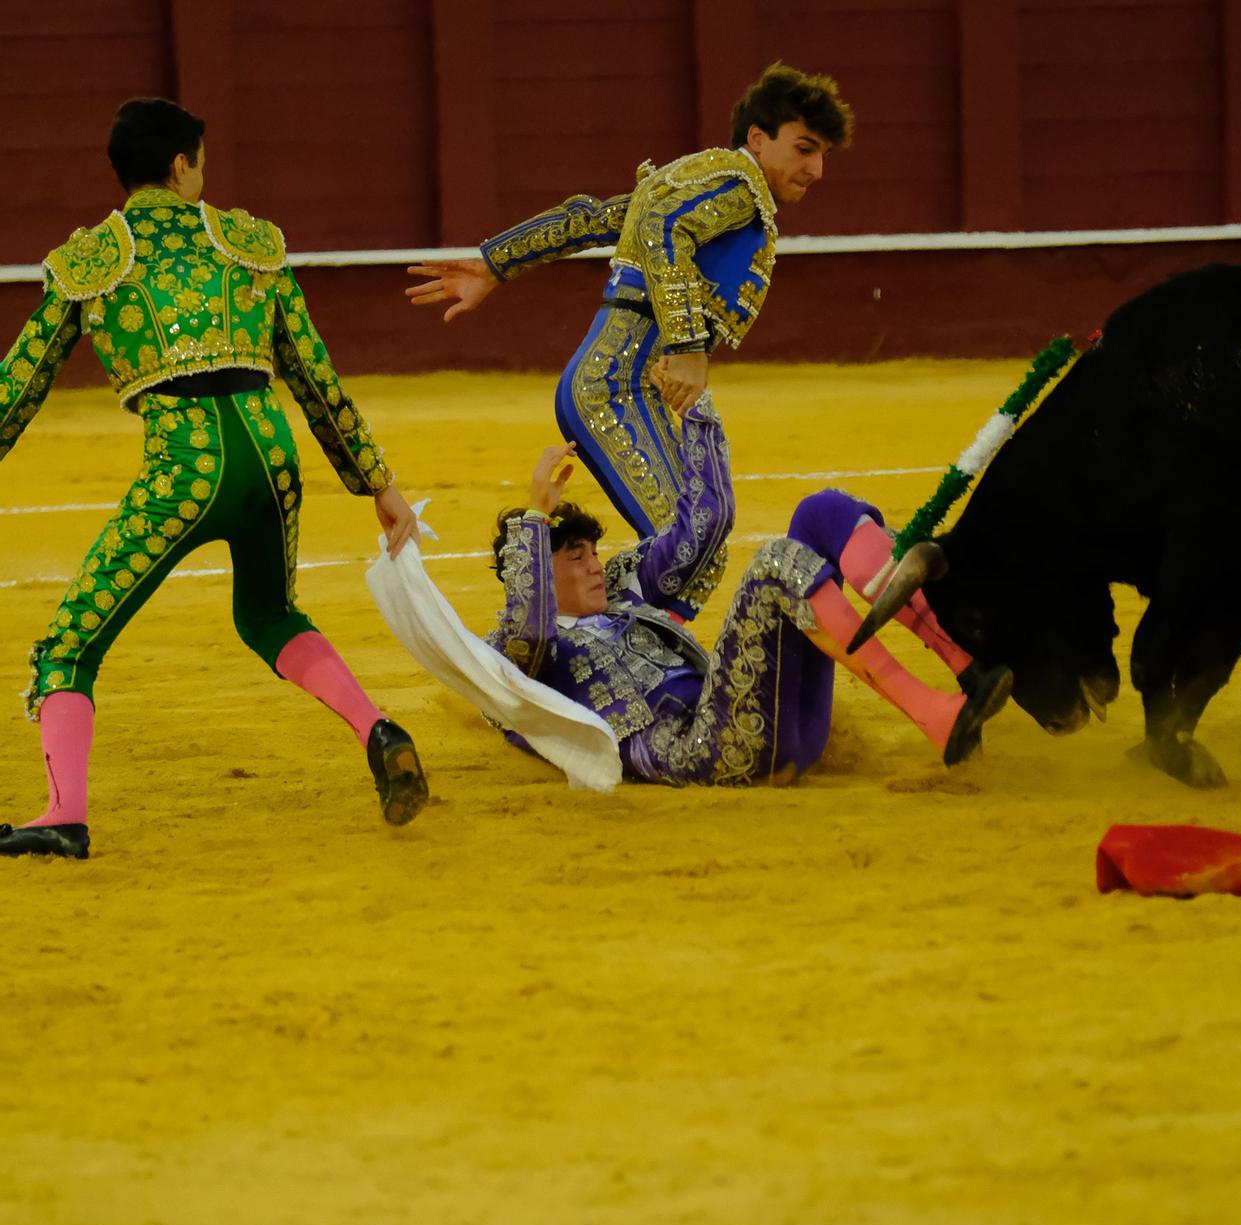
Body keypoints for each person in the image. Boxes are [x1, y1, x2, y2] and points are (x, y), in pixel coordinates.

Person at [0, 98, 429, 859]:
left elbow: (21, 383)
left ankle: (63, 813)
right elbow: (313, 371)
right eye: (201, 160)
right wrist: (377, 481)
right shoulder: (249, 243)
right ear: (180, 165)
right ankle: (378, 729)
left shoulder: (92, 261)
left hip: (186, 467)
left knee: (68, 647)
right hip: (271, 456)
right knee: (268, 615)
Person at [408, 62, 850, 618]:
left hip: (621, 386)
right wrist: (689, 348)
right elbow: (661, 225)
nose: (815, 169)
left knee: (692, 548)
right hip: (614, 388)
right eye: (804, 148)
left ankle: (589, 641)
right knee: (688, 547)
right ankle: (556, 644)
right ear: (758, 139)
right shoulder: (739, 184)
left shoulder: (710, 180)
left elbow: (606, 218)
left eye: (823, 155)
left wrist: (499, 262)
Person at [490, 438, 1010, 785]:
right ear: (535, 571)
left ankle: (964, 662)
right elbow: (528, 633)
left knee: (819, 512)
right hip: (709, 752)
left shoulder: (626, 591)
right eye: (575, 557)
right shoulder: (508, 660)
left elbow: (704, 527)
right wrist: (536, 512)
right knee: (774, 564)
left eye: (594, 552)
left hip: (781, 722)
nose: (596, 566)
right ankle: (931, 713)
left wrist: (695, 411)